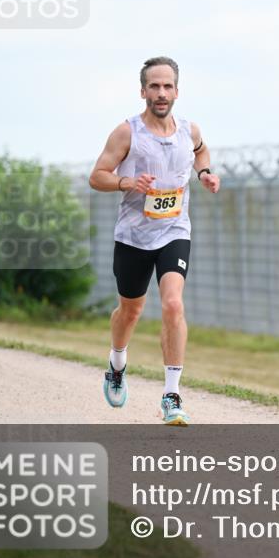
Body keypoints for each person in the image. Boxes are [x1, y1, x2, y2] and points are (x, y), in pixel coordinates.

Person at [89, 56, 220, 425]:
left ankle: (172, 395)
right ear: (143, 90)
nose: (161, 93)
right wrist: (124, 182)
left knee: (174, 304)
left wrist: (206, 173)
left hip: (175, 230)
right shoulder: (127, 133)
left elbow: (201, 151)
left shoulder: (188, 130)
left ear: (177, 90)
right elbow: (97, 176)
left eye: (167, 86)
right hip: (133, 236)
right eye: (154, 86)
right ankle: (117, 363)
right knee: (130, 310)